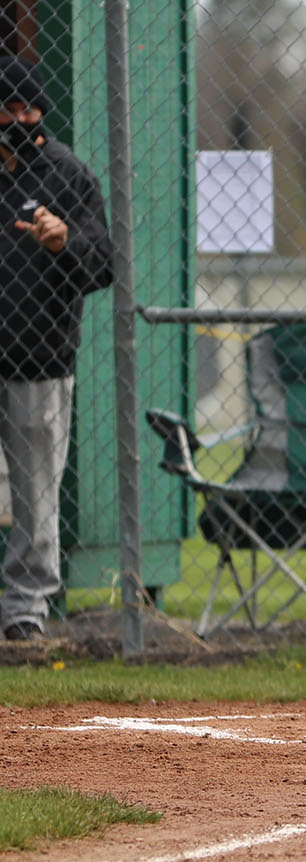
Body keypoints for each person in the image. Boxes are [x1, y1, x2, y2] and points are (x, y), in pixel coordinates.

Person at [0, 56, 112, 641]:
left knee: (36, 493)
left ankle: (24, 610)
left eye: (32, 108)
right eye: (11, 108)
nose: (23, 119)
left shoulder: (66, 174)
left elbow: (103, 265)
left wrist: (64, 241)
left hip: (37, 357)